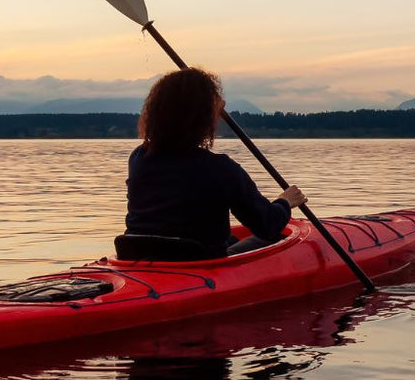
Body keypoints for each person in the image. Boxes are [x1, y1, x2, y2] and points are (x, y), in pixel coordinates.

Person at [124, 67, 306, 259]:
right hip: (198, 263)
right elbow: (267, 225)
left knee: (231, 239)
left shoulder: (139, 158)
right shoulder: (220, 169)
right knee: (275, 236)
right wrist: (285, 202)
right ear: (201, 117)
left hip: (138, 256)